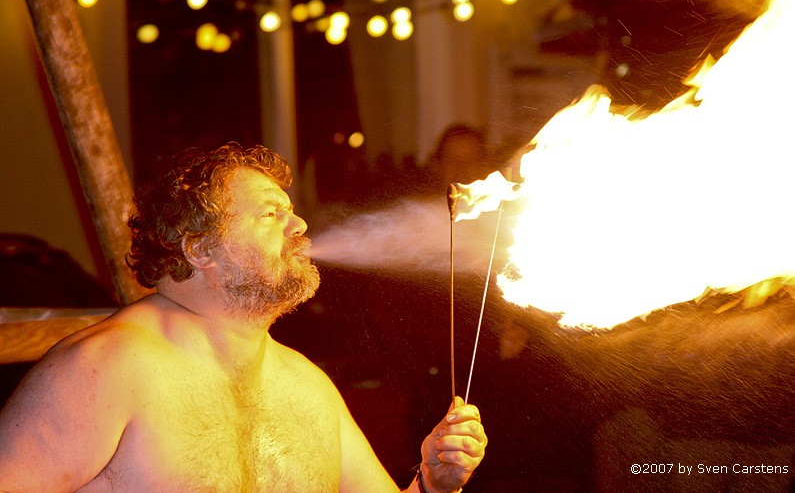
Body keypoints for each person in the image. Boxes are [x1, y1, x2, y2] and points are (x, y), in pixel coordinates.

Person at [0, 143, 487, 492]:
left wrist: (431, 483)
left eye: (291, 212)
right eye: (271, 215)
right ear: (201, 249)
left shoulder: (307, 386)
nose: (299, 226)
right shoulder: (104, 368)